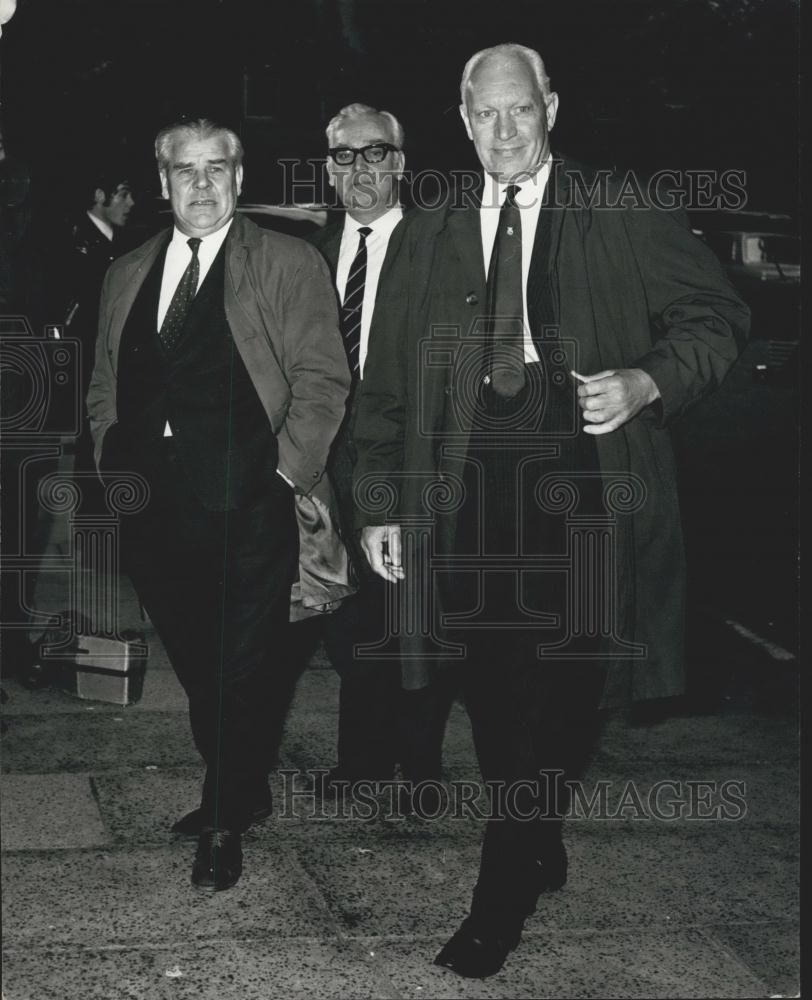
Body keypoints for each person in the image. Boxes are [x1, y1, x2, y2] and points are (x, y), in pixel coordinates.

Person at [352, 43, 749, 977]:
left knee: (563, 688)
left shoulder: (620, 206)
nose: (502, 132)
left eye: (519, 111)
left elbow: (719, 316)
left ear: (551, 109)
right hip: (467, 489)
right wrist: (380, 503)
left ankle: (499, 895)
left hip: (582, 484)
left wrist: (649, 383)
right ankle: (532, 828)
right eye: (484, 115)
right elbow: (385, 386)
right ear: (462, 121)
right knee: (493, 687)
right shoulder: (431, 226)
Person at [87, 118, 349, 891]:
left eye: (217, 169)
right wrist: (109, 456)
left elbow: (323, 379)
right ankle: (243, 782)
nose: (201, 184)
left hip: (250, 500)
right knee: (202, 667)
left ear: (240, 177)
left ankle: (224, 817)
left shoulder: (287, 261)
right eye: (184, 170)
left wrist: (284, 474)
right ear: (163, 182)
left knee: (240, 668)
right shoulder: (126, 269)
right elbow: (104, 377)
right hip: (153, 503)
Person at [307, 102, 444, 800]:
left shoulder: (437, 246)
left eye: (376, 152)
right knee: (346, 616)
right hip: (327, 462)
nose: (361, 168)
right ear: (329, 168)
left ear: (401, 162)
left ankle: (420, 764)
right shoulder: (306, 252)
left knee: (413, 610)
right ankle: (361, 758)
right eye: (345, 155)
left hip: (411, 456)